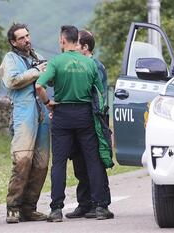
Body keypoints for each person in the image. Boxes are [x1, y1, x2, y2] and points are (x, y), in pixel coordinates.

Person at [36, 25, 114, 222]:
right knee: (93, 160)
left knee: (59, 163)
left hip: (62, 115)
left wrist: (48, 103)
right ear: (75, 41)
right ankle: (101, 207)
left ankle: (56, 210)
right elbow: (98, 93)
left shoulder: (56, 62)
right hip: (86, 115)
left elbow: (39, 86)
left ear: (63, 41)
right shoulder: (90, 64)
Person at [0, 23, 50, 224]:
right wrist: (38, 71)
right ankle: (13, 207)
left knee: (41, 163)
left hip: (42, 114)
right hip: (23, 114)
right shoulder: (10, 59)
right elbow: (12, 81)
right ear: (13, 42)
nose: (27, 40)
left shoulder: (36, 56)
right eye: (21, 38)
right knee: (22, 161)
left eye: (27, 36)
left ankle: (29, 208)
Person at [65, 29, 111, 219]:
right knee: (80, 164)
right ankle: (84, 204)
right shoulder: (76, 65)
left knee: (95, 162)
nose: (72, 47)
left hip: (93, 119)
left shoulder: (95, 66)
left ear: (85, 47)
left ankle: (101, 204)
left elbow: (97, 96)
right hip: (78, 119)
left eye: (75, 44)